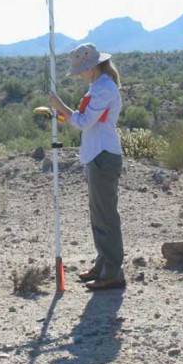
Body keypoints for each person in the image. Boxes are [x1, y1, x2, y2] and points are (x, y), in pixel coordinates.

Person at [48, 43, 125, 291]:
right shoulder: (97, 86)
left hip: (103, 155)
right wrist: (62, 115)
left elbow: (83, 121)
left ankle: (112, 271)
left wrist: (61, 106)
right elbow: (86, 121)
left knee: (106, 216)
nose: (79, 74)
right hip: (96, 155)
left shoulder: (104, 89)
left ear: (92, 67)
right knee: (98, 215)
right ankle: (103, 264)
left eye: (80, 70)